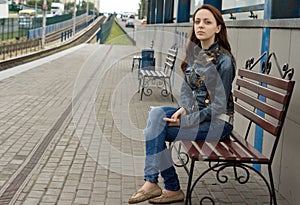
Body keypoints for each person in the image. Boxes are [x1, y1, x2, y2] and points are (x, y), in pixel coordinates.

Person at [128, 4, 236, 204]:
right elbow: (187, 88)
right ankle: (154, 183)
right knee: (156, 115)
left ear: (218, 28)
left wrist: (186, 121)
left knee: (154, 132)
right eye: (197, 22)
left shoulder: (225, 61)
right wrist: (182, 110)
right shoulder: (195, 53)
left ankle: (169, 187)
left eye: (207, 22)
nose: (200, 26)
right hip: (193, 115)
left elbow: (219, 106)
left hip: (218, 124)